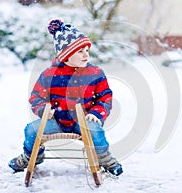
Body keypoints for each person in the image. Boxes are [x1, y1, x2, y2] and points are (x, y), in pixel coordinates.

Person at [8, 19, 123, 176]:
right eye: (80, 51)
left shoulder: (95, 73)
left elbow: (105, 97)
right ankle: (32, 157)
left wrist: (96, 113)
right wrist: (42, 110)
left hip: (84, 120)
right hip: (57, 120)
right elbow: (36, 96)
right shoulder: (50, 75)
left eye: (87, 50)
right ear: (66, 55)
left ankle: (104, 158)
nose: (86, 55)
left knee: (95, 131)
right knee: (31, 130)